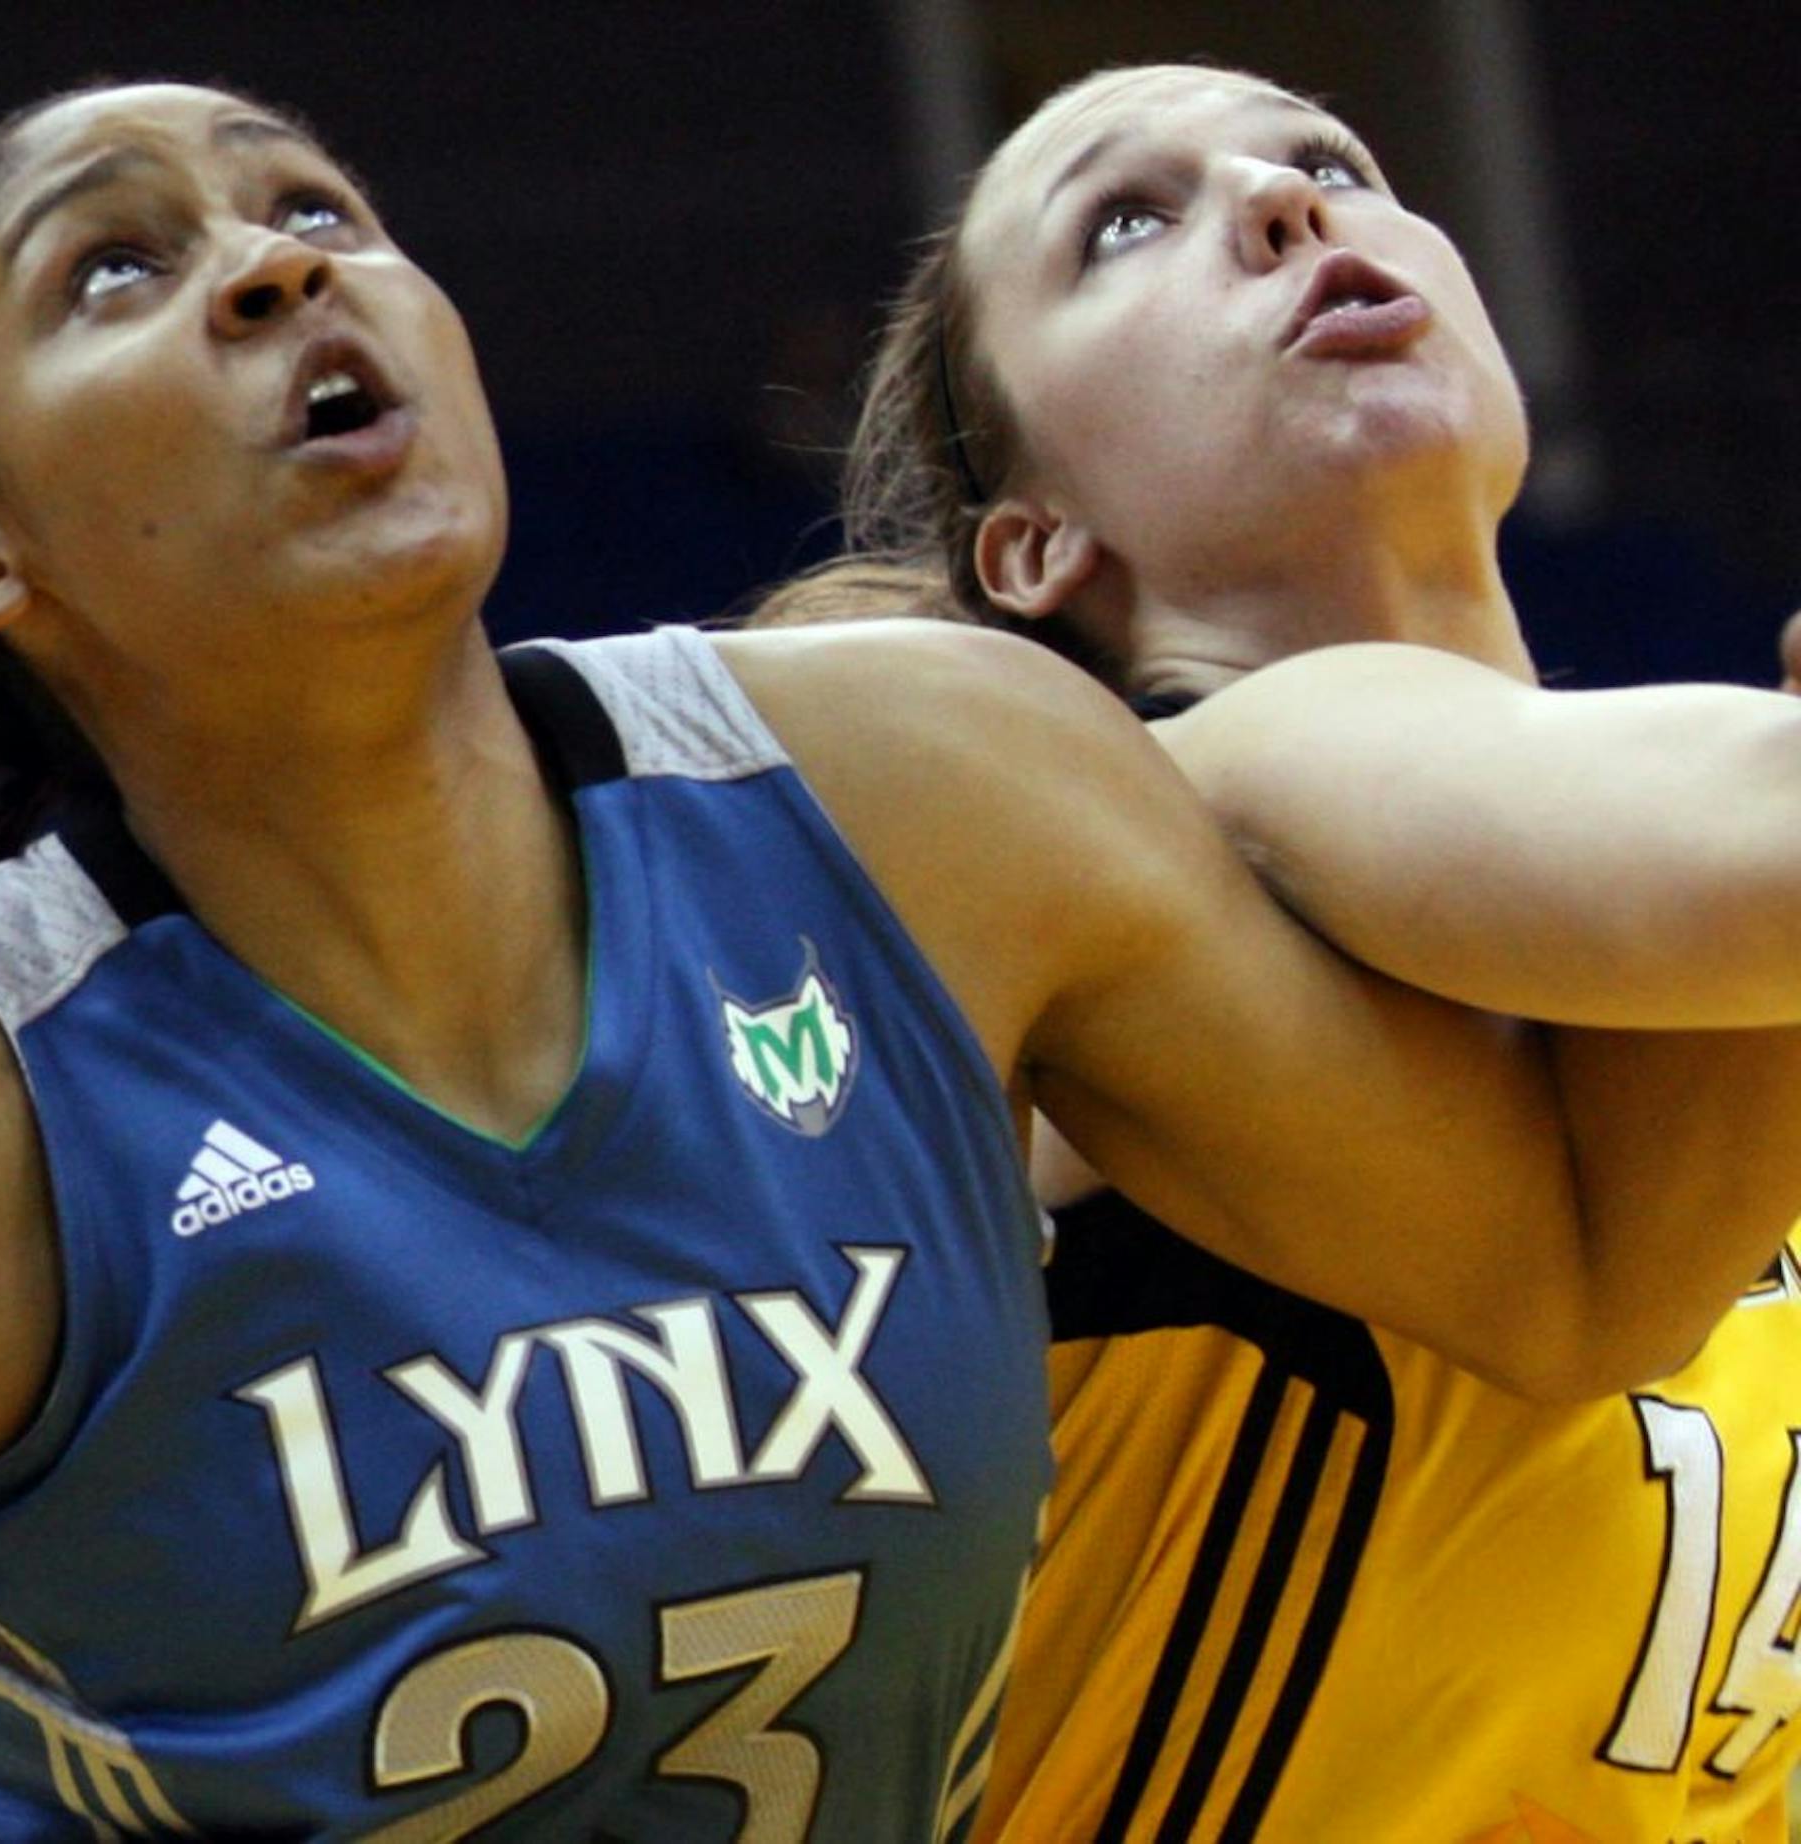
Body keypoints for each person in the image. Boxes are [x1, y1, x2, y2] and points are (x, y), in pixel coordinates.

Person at [0, 75, 1798, 1844]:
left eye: (318, 203)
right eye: (122, 267)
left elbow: (1581, 1273)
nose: (281, 263)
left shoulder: (936, 791)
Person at [755, 60, 1801, 1842]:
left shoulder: (1666, 869)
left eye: (1331, 157)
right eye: (1128, 223)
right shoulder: (1162, 813)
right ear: (1034, 544)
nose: (1283, 201)